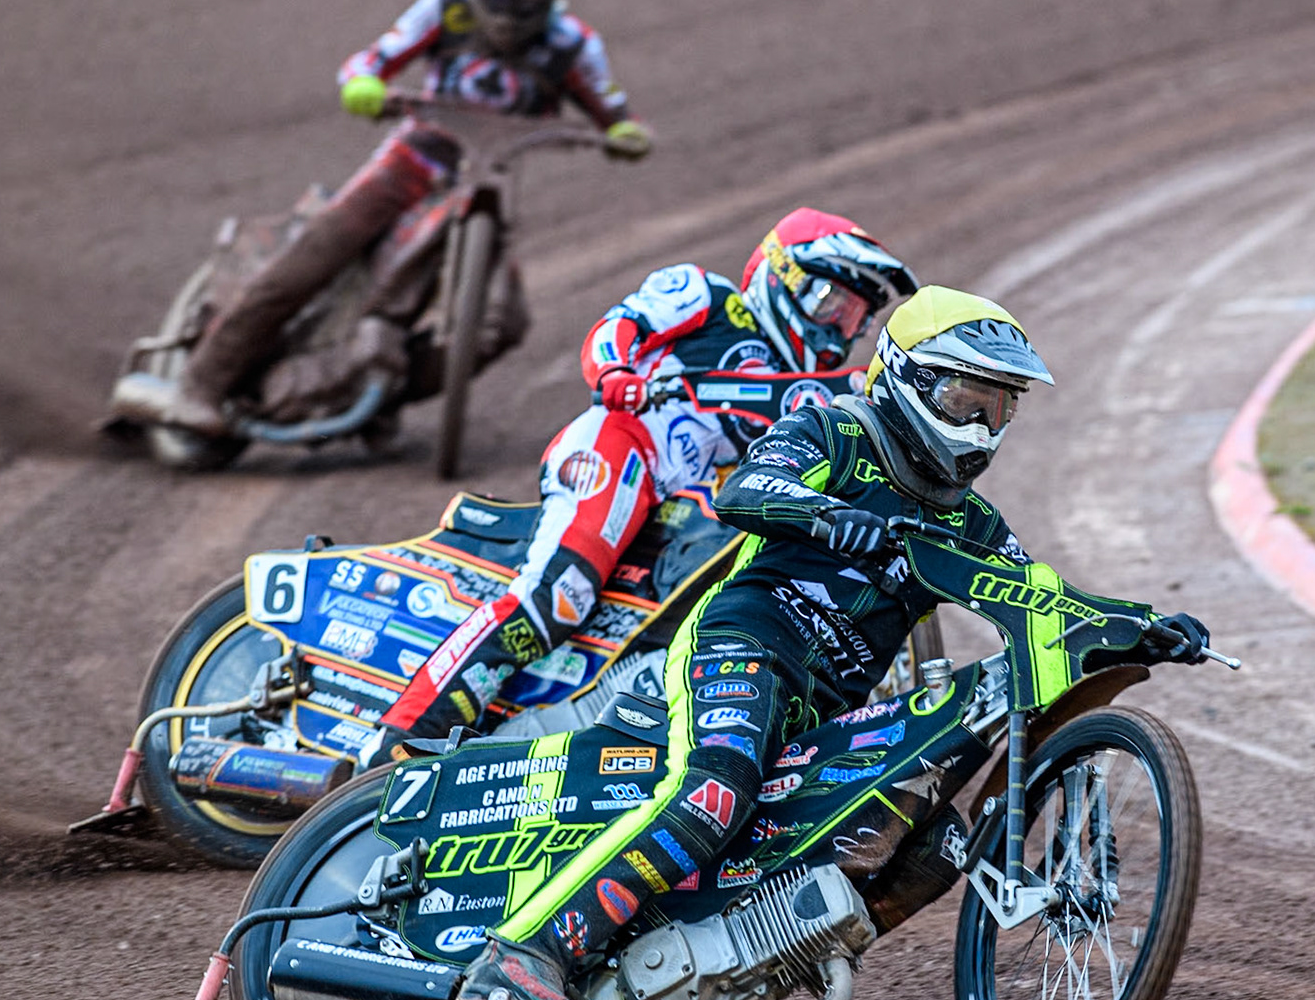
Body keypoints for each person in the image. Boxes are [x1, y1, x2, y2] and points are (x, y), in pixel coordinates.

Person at [450, 284, 1213, 1000]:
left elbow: (1040, 597)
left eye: (999, 406)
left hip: (828, 706)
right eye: (964, 397)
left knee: (930, 843)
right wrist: (829, 516)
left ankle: (754, 977)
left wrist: (1141, 627)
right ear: (908, 377)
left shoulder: (973, 521)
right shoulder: (836, 432)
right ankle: (523, 955)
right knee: (718, 786)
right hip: (743, 646)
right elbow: (746, 490)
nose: (981, 425)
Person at [379, 207, 918, 742]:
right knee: (556, 594)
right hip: (621, 448)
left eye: (856, 319)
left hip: (685, 513)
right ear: (783, 276)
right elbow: (621, 326)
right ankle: (395, 740)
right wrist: (614, 370)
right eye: (833, 304)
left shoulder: (805, 389)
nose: (840, 331)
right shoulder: (707, 297)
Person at [127, 0, 652, 436]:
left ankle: (380, 393)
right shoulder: (445, 7)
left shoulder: (573, 44)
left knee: (502, 324)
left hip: (485, 181)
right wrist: (363, 84)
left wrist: (624, 133)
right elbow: (373, 59)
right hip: (411, 160)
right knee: (318, 252)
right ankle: (202, 383)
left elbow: (614, 110)